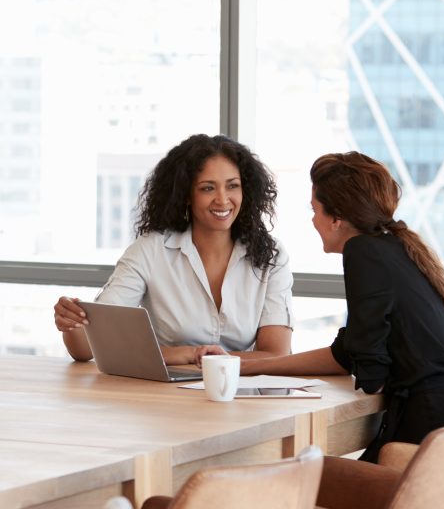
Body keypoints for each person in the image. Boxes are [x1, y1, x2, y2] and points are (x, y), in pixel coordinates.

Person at [240, 151, 444, 462]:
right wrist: (248, 365)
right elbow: (348, 353)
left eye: (315, 210)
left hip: (427, 427)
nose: (313, 220)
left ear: (337, 218)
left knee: (304, 479)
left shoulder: (362, 251)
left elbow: (369, 367)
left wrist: (366, 366)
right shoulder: (395, 247)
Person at [53, 134, 294, 366]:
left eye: (232, 186)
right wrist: (71, 321)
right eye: (207, 188)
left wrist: (197, 358)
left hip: (241, 395)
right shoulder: (150, 251)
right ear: (186, 195)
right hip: (164, 397)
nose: (222, 199)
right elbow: (87, 347)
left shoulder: (271, 256)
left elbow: (276, 354)